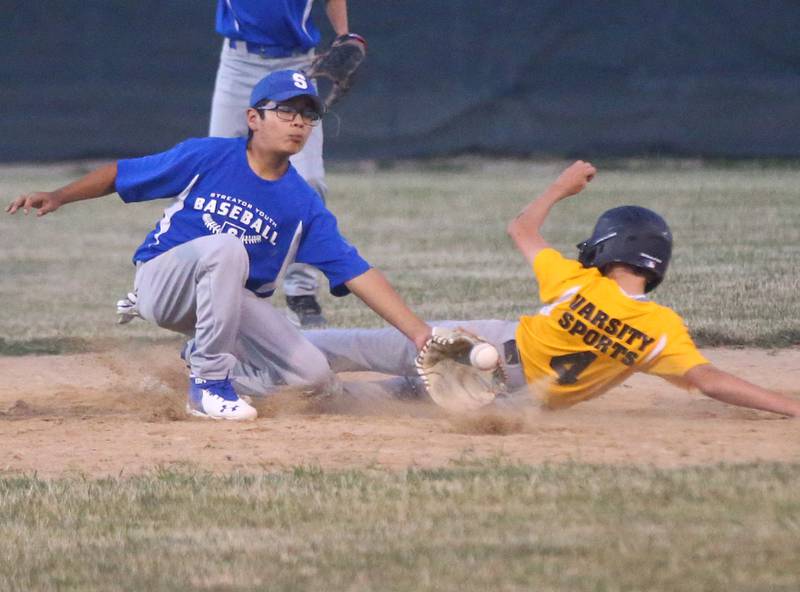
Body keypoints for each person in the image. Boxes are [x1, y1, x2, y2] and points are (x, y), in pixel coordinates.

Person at [6, 69, 431, 421]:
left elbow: (355, 270)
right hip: (164, 282)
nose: (299, 122)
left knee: (312, 378)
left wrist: (420, 334)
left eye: (308, 115)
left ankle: (205, 367)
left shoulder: (302, 203)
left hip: (230, 303)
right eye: (286, 110)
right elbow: (121, 173)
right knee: (227, 247)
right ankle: (207, 386)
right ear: (253, 118)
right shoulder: (209, 156)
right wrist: (61, 195)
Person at [301, 161, 800, 418]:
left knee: (345, 346)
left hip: (484, 344)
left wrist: (561, 187)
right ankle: (297, 399)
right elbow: (710, 382)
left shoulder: (577, 282)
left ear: (609, 247)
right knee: (379, 399)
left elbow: (521, 228)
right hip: (508, 400)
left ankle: (248, 359)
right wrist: (790, 406)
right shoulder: (660, 330)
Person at [209, 0, 360, 327]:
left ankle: (301, 290)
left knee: (309, 182)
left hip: (295, 64)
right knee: (215, 175)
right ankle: (211, 291)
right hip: (239, 62)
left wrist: (343, 34)